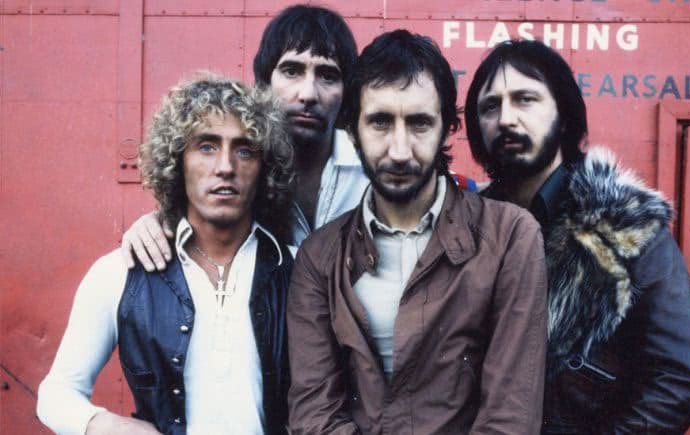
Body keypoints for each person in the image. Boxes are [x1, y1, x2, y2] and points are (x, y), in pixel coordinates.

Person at [287, 30, 548, 434]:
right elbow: (314, 415)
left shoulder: (511, 237)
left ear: (447, 128)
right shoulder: (319, 257)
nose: (400, 151)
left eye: (419, 123)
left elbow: (510, 417)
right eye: (380, 122)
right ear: (352, 130)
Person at [464, 39, 690, 434]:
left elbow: (677, 383)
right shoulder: (465, 227)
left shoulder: (626, 226)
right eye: (490, 106)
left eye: (525, 99)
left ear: (563, 115)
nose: (506, 118)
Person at [37, 74, 295, 435]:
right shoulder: (121, 272)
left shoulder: (299, 268)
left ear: (264, 166)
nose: (225, 166)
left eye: (244, 150)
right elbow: (55, 394)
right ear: (178, 161)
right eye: (206, 146)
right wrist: (108, 426)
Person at [122, 5, 367, 271]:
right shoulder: (238, 167)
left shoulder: (371, 171)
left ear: (346, 90)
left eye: (328, 76)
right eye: (292, 71)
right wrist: (155, 223)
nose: (308, 94)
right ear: (264, 83)